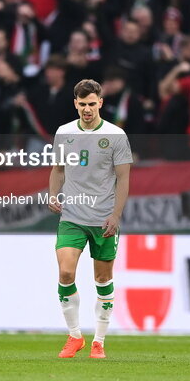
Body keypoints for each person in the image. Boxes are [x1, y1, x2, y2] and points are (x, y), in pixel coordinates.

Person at [47, 79, 133, 359]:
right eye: (82, 104)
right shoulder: (64, 132)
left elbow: (123, 178)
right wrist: (53, 195)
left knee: (102, 278)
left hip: (103, 218)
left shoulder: (115, 135)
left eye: (91, 104)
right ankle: (74, 336)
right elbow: (58, 170)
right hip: (72, 216)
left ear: (100, 103)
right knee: (66, 272)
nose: (87, 109)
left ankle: (99, 341)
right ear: (75, 104)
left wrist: (116, 214)